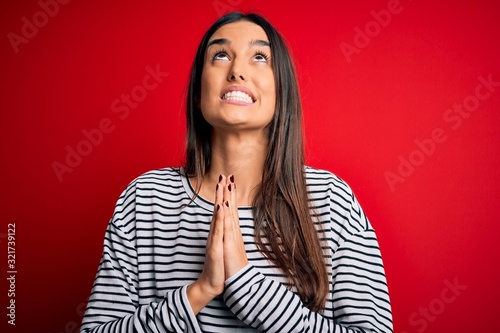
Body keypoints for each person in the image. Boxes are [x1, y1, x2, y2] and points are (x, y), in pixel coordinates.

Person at [80, 12, 393, 333]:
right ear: (199, 94)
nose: (237, 71)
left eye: (259, 57)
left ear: (281, 92)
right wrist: (199, 291)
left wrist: (245, 284)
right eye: (220, 55)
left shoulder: (331, 200)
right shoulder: (145, 198)